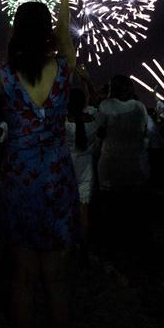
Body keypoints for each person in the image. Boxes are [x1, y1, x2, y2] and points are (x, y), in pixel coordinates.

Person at [0, 0, 78, 328]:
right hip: (56, 173)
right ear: (48, 33)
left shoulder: (2, 75)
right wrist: (63, 1)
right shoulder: (63, 68)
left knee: (22, 277)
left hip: (20, 174)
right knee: (56, 278)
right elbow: (66, 40)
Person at [96, 76, 148, 191]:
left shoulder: (106, 105)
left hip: (111, 162)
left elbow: (100, 132)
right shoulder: (140, 106)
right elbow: (144, 131)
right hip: (135, 163)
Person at [65, 87, 98, 245]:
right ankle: (83, 247)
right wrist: (87, 82)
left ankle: (68, 243)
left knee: (66, 209)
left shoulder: (64, 122)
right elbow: (97, 102)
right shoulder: (93, 120)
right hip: (87, 168)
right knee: (84, 212)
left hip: (66, 167)